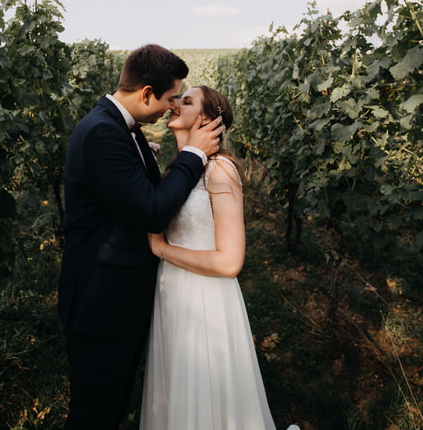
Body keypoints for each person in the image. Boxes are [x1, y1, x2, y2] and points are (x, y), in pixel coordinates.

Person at [58, 45, 224, 430]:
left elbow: (127, 192)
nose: (171, 108)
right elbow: (151, 210)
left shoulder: (117, 128)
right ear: (146, 93)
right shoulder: (103, 132)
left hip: (118, 300)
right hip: (100, 304)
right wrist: (195, 155)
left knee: (110, 408)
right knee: (93, 415)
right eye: (168, 99)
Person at [140, 86, 278, 430]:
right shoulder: (178, 171)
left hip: (205, 299)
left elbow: (230, 262)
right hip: (171, 294)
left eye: (186, 101)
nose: (174, 104)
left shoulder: (219, 171)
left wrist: (161, 250)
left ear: (204, 119)